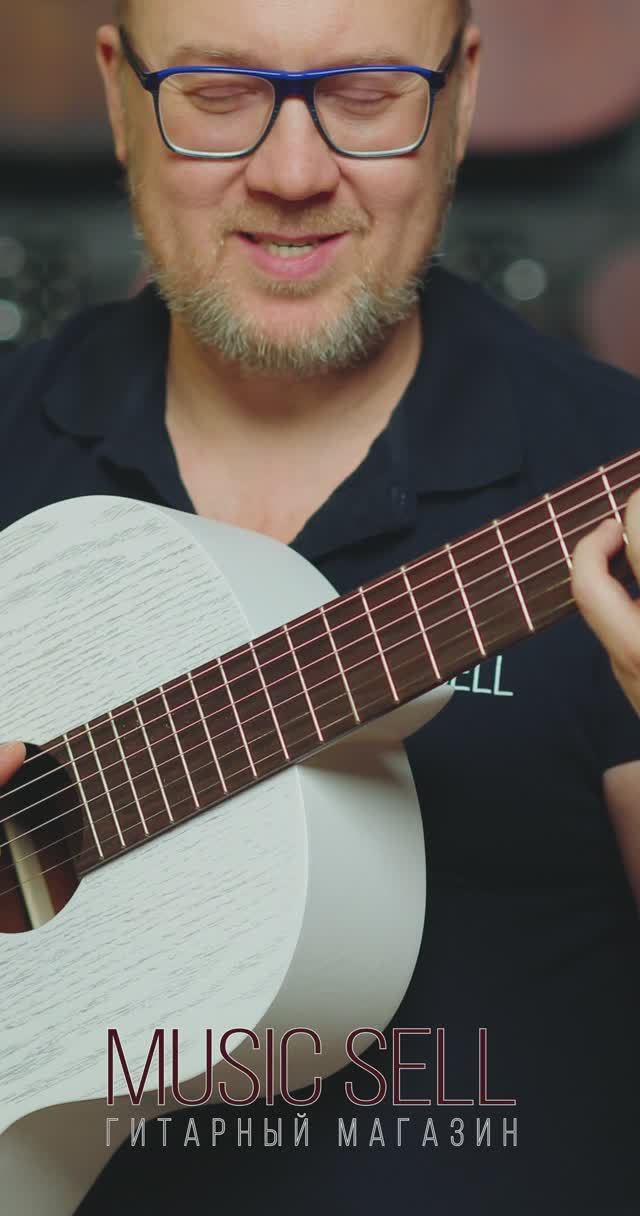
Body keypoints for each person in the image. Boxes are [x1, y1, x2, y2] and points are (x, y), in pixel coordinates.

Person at [1, 0, 639, 1211]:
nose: (292, 174)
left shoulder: (608, 471)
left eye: (364, 95)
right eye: (217, 95)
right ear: (120, 96)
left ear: (458, 97)